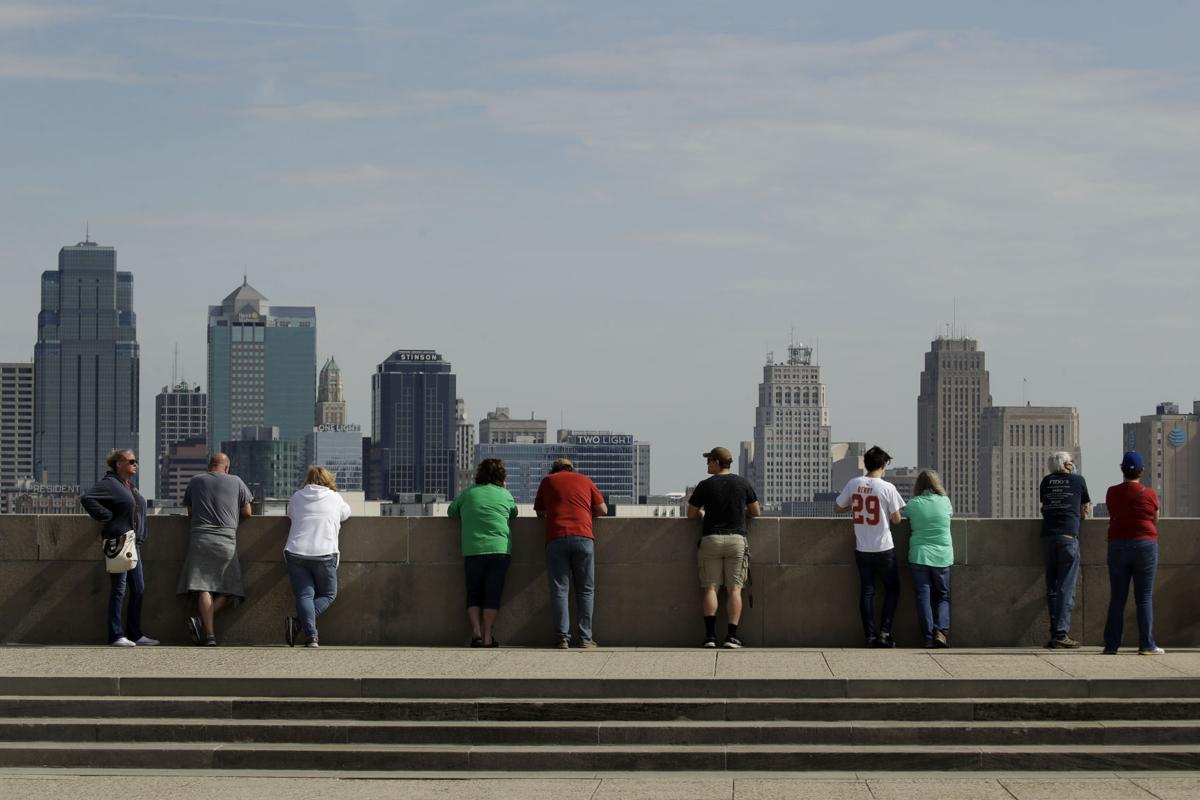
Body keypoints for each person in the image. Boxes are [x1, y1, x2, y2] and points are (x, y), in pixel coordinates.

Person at [80, 449, 158, 648]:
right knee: (119, 590)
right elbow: (87, 498)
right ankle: (116, 635)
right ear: (119, 464)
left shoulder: (127, 486)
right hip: (120, 542)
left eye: (136, 461)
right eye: (131, 461)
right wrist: (107, 517)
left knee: (138, 589)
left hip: (134, 544)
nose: (135, 464)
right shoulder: (110, 483)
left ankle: (135, 633)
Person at [687, 446, 760, 649]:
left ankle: (710, 637)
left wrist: (704, 515)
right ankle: (732, 636)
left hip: (711, 539)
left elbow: (691, 514)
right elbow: (756, 512)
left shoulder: (705, 485)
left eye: (709, 461)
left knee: (711, 587)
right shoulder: (742, 483)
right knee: (734, 589)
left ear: (717, 462)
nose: (707, 465)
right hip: (737, 539)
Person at [834, 446, 906, 648]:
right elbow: (897, 519)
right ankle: (885, 632)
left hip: (862, 548)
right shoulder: (887, 488)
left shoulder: (853, 484)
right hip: (884, 548)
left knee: (867, 592)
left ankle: (870, 636)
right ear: (883, 465)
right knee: (893, 590)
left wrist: (855, 505)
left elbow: (838, 507)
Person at [178, 452, 253, 646]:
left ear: (210, 465)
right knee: (232, 588)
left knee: (203, 586)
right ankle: (202, 622)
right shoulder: (236, 481)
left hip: (200, 538)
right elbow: (247, 512)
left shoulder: (196, 481)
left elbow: (191, 512)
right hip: (226, 539)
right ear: (226, 467)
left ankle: (209, 635)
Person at [534, 458, 607, 649]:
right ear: (572, 469)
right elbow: (602, 509)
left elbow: (540, 511)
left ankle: (562, 638)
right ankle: (585, 638)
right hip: (583, 537)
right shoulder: (585, 480)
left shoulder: (547, 481)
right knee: (585, 590)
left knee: (560, 590)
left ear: (554, 469)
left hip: (556, 537)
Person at [448, 458, 518, 647]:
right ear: (501, 477)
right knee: (492, 594)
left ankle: (476, 632)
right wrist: (503, 489)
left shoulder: (468, 493)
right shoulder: (506, 494)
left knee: (473, 593)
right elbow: (514, 513)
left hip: (473, 549)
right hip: (499, 550)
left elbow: (451, 512)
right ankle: (488, 636)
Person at [1103, 452, 1164, 655]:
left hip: (1117, 545)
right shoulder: (1150, 494)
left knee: (1117, 598)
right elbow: (1155, 519)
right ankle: (1146, 645)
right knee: (1144, 598)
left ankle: (1111, 646)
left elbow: (1113, 513)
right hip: (1145, 545)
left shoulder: (1112, 492)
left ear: (1122, 470)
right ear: (1142, 470)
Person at [284, 466, 352, 648]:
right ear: (329, 480)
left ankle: (311, 636)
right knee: (329, 594)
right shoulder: (335, 498)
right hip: (324, 552)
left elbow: (290, 513)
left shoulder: (298, 496)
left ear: (308, 479)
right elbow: (346, 514)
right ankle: (298, 623)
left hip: (296, 551)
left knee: (304, 595)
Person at [1039, 451, 1091, 649]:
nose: (1073, 465)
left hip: (1048, 537)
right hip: (1068, 538)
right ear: (1066, 465)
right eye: (1071, 462)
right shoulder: (1078, 480)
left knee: (1052, 588)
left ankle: (1055, 633)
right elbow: (1084, 511)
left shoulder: (1045, 482)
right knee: (1066, 588)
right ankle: (1061, 634)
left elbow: (1045, 507)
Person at [901, 470, 953, 648]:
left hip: (919, 555)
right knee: (943, 597)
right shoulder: (945, 502)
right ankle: (941, 632)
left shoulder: (914, 503)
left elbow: (904, 515)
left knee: (923, 597)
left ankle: (928, 636)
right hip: (942, 556)